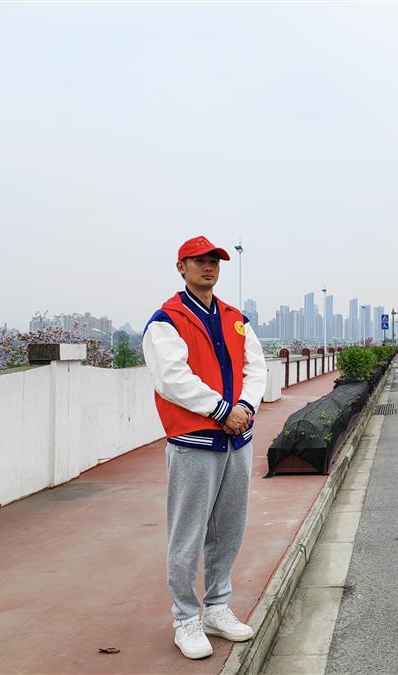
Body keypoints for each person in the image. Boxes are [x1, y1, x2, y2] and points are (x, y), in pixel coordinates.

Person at [143, 236, 267, 660]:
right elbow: (171, 379)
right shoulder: (167, 319)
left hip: (237, 438)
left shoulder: (235, 318)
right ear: (181, 267)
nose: (208, 267)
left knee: (228, 529)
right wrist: (221, 410)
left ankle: (217, 607)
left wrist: (245, 407)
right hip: (194, 441)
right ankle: (185, 617)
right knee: (188, 533)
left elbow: (256, 367)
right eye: (198, 261)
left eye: (214, 261)